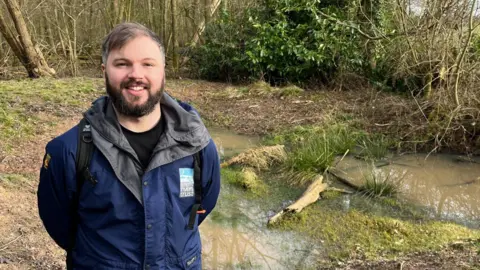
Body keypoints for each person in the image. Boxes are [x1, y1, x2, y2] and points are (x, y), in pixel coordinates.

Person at [37, 22, 221, 270]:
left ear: (163, 70)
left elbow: (201, 208)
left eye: (148, 64)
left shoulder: (198, 145)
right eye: (122, 64)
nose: (136, 74)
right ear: (104, 70)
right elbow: (60, 226)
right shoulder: (68, 151)